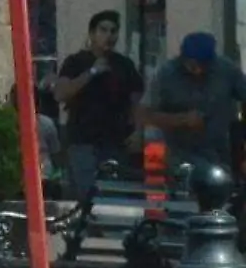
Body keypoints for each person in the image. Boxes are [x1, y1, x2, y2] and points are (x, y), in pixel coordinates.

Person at [52, 10, 144, 194]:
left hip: (116, 141)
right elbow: (60, 94)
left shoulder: (124, 65)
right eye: (103, 30)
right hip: (83, 140)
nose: (109, 36)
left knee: (114, 193)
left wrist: (138, 131)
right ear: (92, 34)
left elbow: (136, 101)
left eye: (113, 31)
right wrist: (92, 72)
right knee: (86, 192)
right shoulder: (76, 62)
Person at [139, 32, 246, 179]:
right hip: (179, 154)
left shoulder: (226, 70)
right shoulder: (166, 74)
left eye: (204, 64)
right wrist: (182, 119)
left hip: (218, 153)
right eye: (193, 65)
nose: (199, 70)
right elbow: (145, 114)